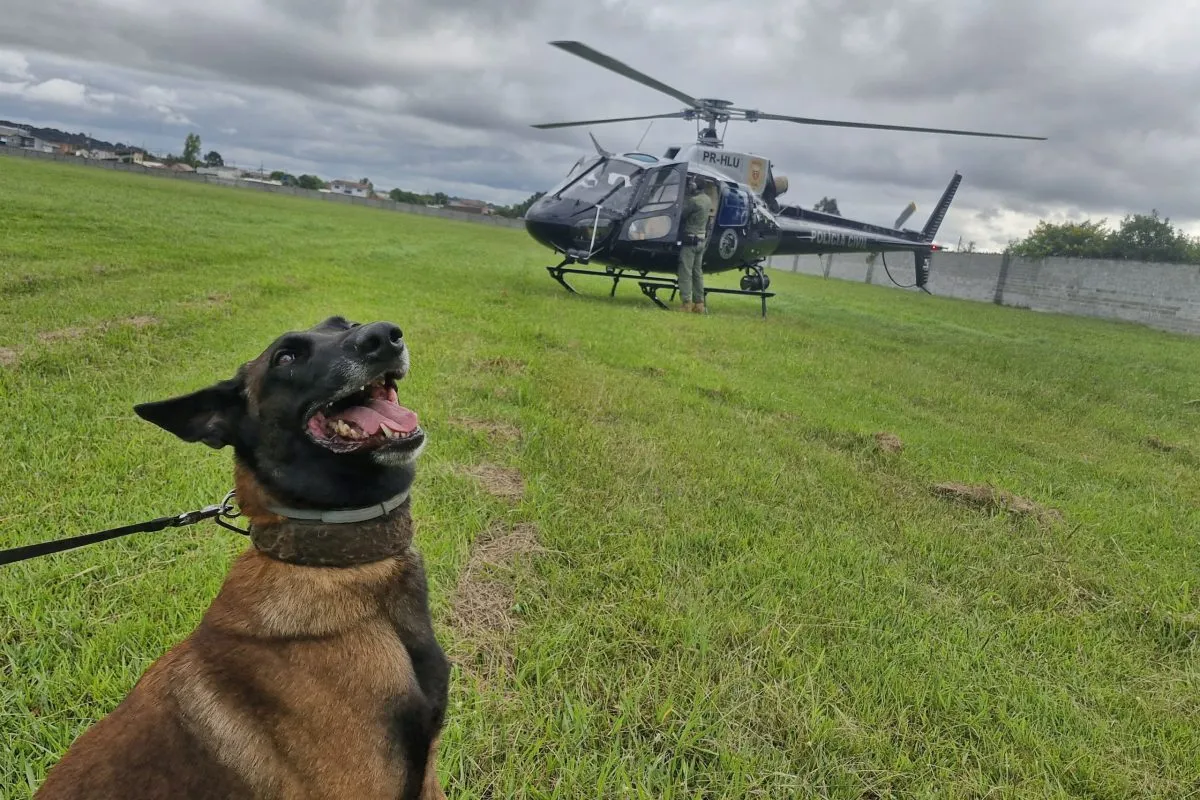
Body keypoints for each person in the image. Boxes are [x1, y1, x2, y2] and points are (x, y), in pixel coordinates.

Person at [677, 176, 712, 313]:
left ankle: (686, 303)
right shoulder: (708, 200)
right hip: (701, 241)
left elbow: (682, 215)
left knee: (685, 271)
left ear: (695, 186)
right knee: (697, 273)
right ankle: (699, 304)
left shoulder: (694, 201)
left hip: (690, 241)